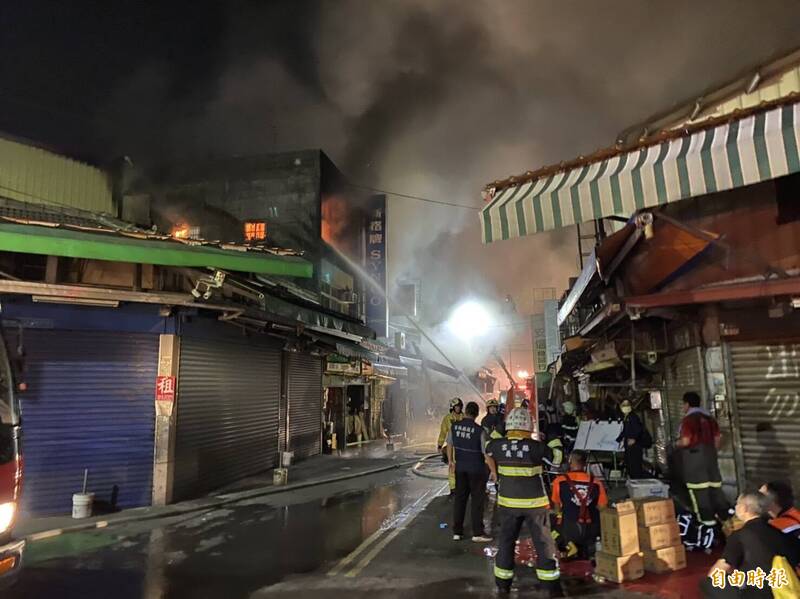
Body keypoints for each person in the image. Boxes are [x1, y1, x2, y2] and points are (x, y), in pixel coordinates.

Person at [486, 407, 564, 597]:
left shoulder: (498, 445)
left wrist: (500, 429)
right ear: (529, 426)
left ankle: (503, 584)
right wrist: (554, 437)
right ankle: (549, 585)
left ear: (508, 426)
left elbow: (488, 446)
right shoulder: (536, 447)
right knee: (543, 542)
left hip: (507, 504)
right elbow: (557, 460)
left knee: (506, 542)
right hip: (535, 505)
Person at [700, 492, 800, 598]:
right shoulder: (779, 532)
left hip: (757, 593)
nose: (736, 507)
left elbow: (718, 570)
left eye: (737, 504)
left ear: (744, 508)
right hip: (786, 590)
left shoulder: (740, 535)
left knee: (708, 584)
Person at [677, 391, 730, 527]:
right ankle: (726, 524)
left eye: (683, 405)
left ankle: (706, 527)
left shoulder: (688, 420)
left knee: (699, 495)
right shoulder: (709, 419)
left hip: (695, 463)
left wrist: (676, 444)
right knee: (716, 492)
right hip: (711, 460)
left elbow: (686, 440)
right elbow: (718, 440)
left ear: (687, 404)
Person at [447, 401, 492, 542]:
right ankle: (477, 533)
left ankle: (457, 532)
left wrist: (450, 461)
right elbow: (486, 453)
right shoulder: (480, 430)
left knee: (460, 499)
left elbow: (449, 444)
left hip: (460, 469)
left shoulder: (454, 427)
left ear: (465, 411)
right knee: (477, 501)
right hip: (476, 470)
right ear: (477, 414)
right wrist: (493, 470)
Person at [550, 450, 608, 560]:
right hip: (591, 531)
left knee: (548, 521)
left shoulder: (560, 481)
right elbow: (603, 507)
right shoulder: (596, 482)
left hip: (570, 529)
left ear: (570, 461)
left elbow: (557, 507)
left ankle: (568, 545)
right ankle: (586, 549)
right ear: (585, 464)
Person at [437, 397, 463, 494]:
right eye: (456, 407)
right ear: (452, 407)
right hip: (451, 447)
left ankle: (462, 487)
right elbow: (443, 432)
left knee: (462, 468)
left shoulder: (464, 417)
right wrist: (440, 445)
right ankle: (453, 488)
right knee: (452, 466)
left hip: (462, 447)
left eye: (459, 406)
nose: (458, 408)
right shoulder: (447, 419)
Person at [615, 399, 646, 479]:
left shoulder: (633, 417)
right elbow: (625, 431)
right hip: (628, 445)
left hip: (635, 446)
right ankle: (633, 481)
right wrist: (618, 440)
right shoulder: (626, 417)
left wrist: (634, 439)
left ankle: (637, 482)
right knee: (629, 465)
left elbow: (639, 430)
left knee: (635, 466)